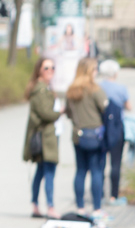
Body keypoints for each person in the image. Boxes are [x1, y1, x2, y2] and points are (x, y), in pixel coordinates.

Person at [65, 58, 108, 213]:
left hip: (78, 135)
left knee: (80, 170)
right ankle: (96, 208)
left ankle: (80, 207)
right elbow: (106, 109)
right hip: (95, 135)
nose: (96, 72)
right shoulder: (95, 89)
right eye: (95, 69)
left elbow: (68, 113)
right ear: (89, 71)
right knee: (96, 171)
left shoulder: (71, 90)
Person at [24, 58, 60, 219]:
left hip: (46, 135)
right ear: (39, 70)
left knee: (41, 172)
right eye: (46, 68)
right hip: (45, 138)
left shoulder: (44, 88)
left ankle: (35, 204)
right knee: (48, 171)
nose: (50, 70)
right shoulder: (40, 90)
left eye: (52, 67)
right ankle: (49, 207)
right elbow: (46, 113)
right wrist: (60, 112)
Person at [98, 59, 128, 204]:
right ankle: (113, 196)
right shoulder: (121, 88)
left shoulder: (97, 87)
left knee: (101, 163)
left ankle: (100, 194)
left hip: (101, 127)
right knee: (116, 163)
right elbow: (129, 105)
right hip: (116, 128)